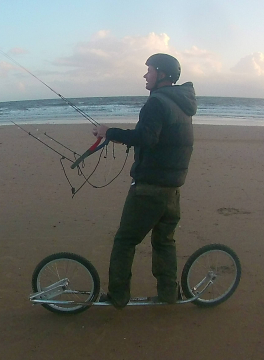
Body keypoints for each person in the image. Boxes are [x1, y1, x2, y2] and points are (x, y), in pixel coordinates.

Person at [93, 53, 197, 308]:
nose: (145, 75)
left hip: (150, 189)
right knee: (164, 242)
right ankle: (168, 294)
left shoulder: (156, 103)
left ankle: (117, 296)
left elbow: (146, 138)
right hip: (173, 188)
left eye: (148, 70)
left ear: (161, 74)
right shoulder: (181, 103)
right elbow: (157, 139)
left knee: (125, 241)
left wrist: (110, 132)